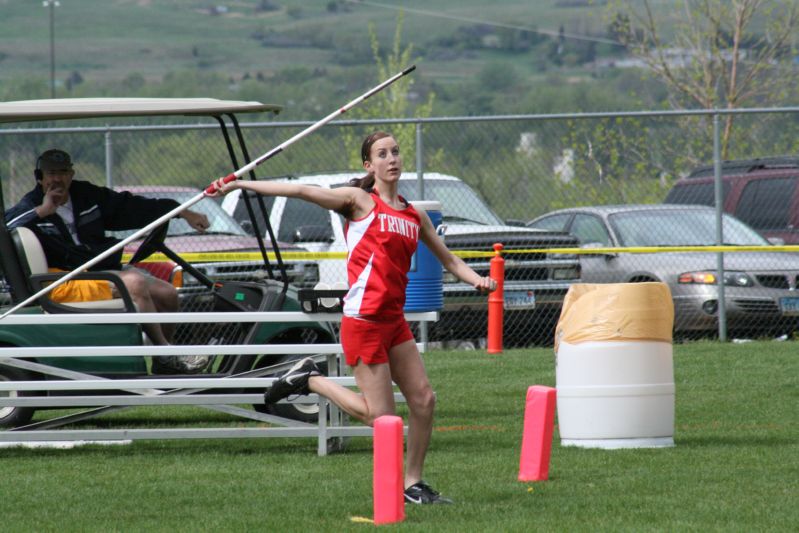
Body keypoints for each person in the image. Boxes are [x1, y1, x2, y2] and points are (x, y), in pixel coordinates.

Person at [210, 131, 496, 504]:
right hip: (362, 320)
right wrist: (239, 183)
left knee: (424, 400)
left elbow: (450, 260)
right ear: (369, 165)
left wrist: (478, 280)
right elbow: (300, 192)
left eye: (395, 152)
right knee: (383, 420)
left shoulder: (414, 214)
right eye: (382, 154)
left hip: (393, 321)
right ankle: (311, 379)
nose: (392, 158)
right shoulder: (358, 202)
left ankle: (413, 483)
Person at [4, 149, 211, 374]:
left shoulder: (87, 195)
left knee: (168, 294)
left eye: (63, 172)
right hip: (65, 278)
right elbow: (6, 226)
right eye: (51, 173)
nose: (57, 179)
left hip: (101, 269)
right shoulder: (32, 204)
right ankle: (165, 351)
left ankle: (163, 363)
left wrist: (181, 212)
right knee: (134, 283)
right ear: (40, 177)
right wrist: (43, 210)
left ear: (71, 174)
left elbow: (131, 206)